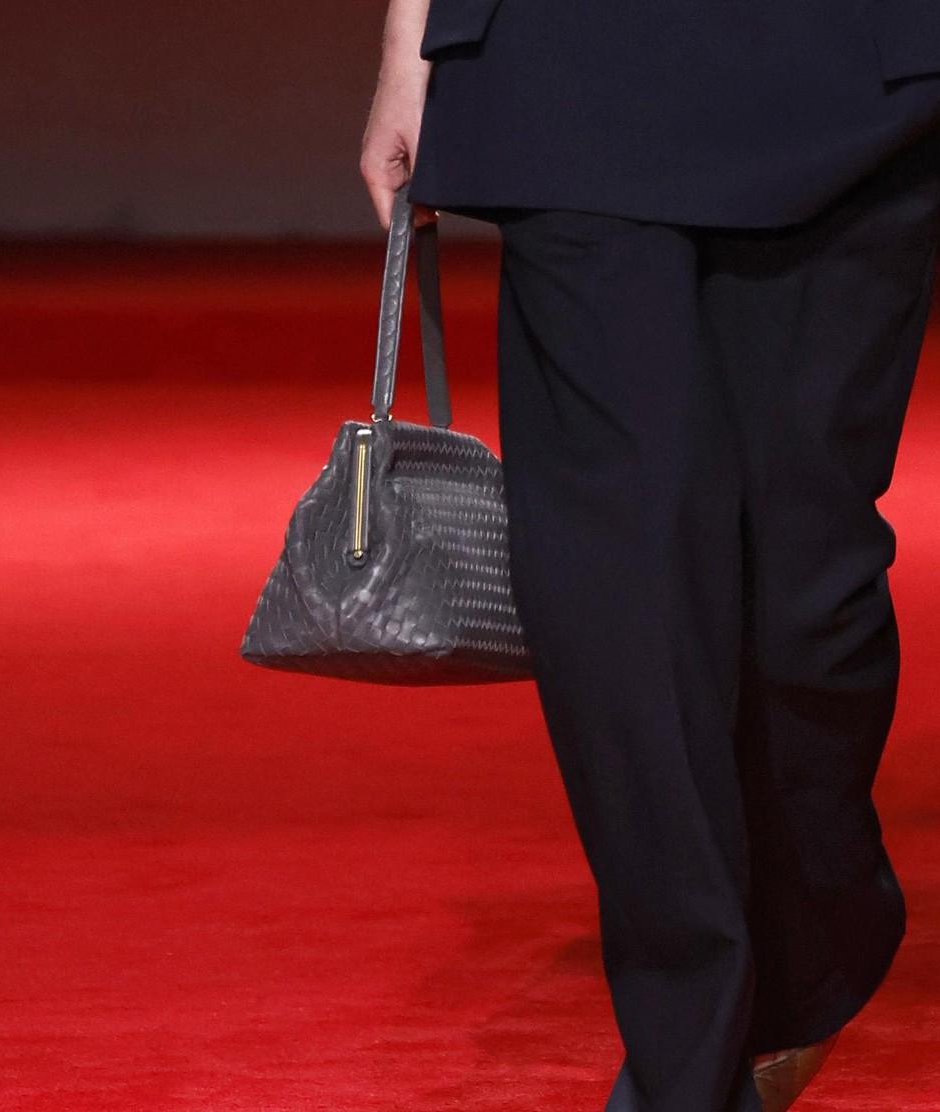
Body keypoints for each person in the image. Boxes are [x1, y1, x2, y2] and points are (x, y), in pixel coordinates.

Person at [360, 2, 940, 1109]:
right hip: (570, 55)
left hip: (852, 61)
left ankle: (808, 948)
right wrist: (406, 39)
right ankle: (684, 1054)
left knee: (806, 595)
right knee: (616, 579)